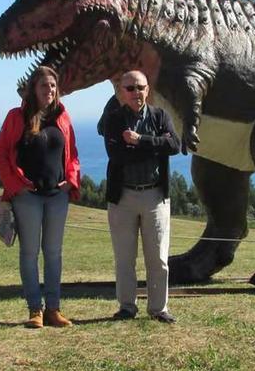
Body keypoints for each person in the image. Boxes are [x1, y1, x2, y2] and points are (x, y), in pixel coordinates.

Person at [0, 66, 80, 329]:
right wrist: (15, 185)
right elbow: (0, 154)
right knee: (29, 253)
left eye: (53, 86)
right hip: (27, 196)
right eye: (44, 86)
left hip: (56, 196)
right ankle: (35, 310)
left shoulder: (62, 118)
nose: (49, 90)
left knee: (53, 253)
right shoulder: (16, 117)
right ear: (33, 89)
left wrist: (71, 180)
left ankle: (53, 309)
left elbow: (72, 154)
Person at [102, 70, 180, 323]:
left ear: (148, 90)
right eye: (130, 88)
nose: (136, 92)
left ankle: (158, 308)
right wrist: (155, 146)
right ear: (121, 92)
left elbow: (175, 146)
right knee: (124, 258)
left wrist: (140, 141)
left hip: (154, 196)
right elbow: (117, 155)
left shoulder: (160, 116)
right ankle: (127, 307)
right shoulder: (113, 120)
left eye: (140, 87)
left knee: (158, 258)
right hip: (123, 196)